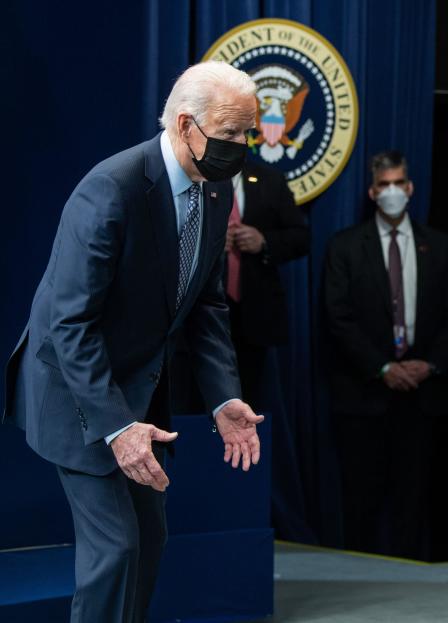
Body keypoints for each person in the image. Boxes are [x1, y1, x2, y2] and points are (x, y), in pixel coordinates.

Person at [2, 61, 264, 623]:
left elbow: (205, 306)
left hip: (139, 397)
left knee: (148, 540)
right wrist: (118, 428)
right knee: (116, 550)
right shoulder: (111, 188)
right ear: (186, 125)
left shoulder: (215, 192)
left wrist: (222, 397)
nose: (242, 146)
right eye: (231, 133)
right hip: (77, 393)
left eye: (248, 132)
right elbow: (69, 324)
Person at [323, 150, 448, 561]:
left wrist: (431, 364)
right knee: (361, 500)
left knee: (415, 498)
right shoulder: (345, 247)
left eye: (398, 184)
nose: (391, 192)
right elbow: (337, 318)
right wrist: (381, 367)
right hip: (363, 396)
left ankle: (412, 576)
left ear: (410, 188)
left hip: (424, 396)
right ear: (371, 191)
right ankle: (358, 577)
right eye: (383, 185)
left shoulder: (439, 246)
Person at [224, 160, 309, 409]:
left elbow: (301, 238)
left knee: (250, 404)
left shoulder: (270, 179)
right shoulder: (196, 177)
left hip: (254, 318)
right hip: (203, 319)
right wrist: (211, 242)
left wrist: (264, 241)